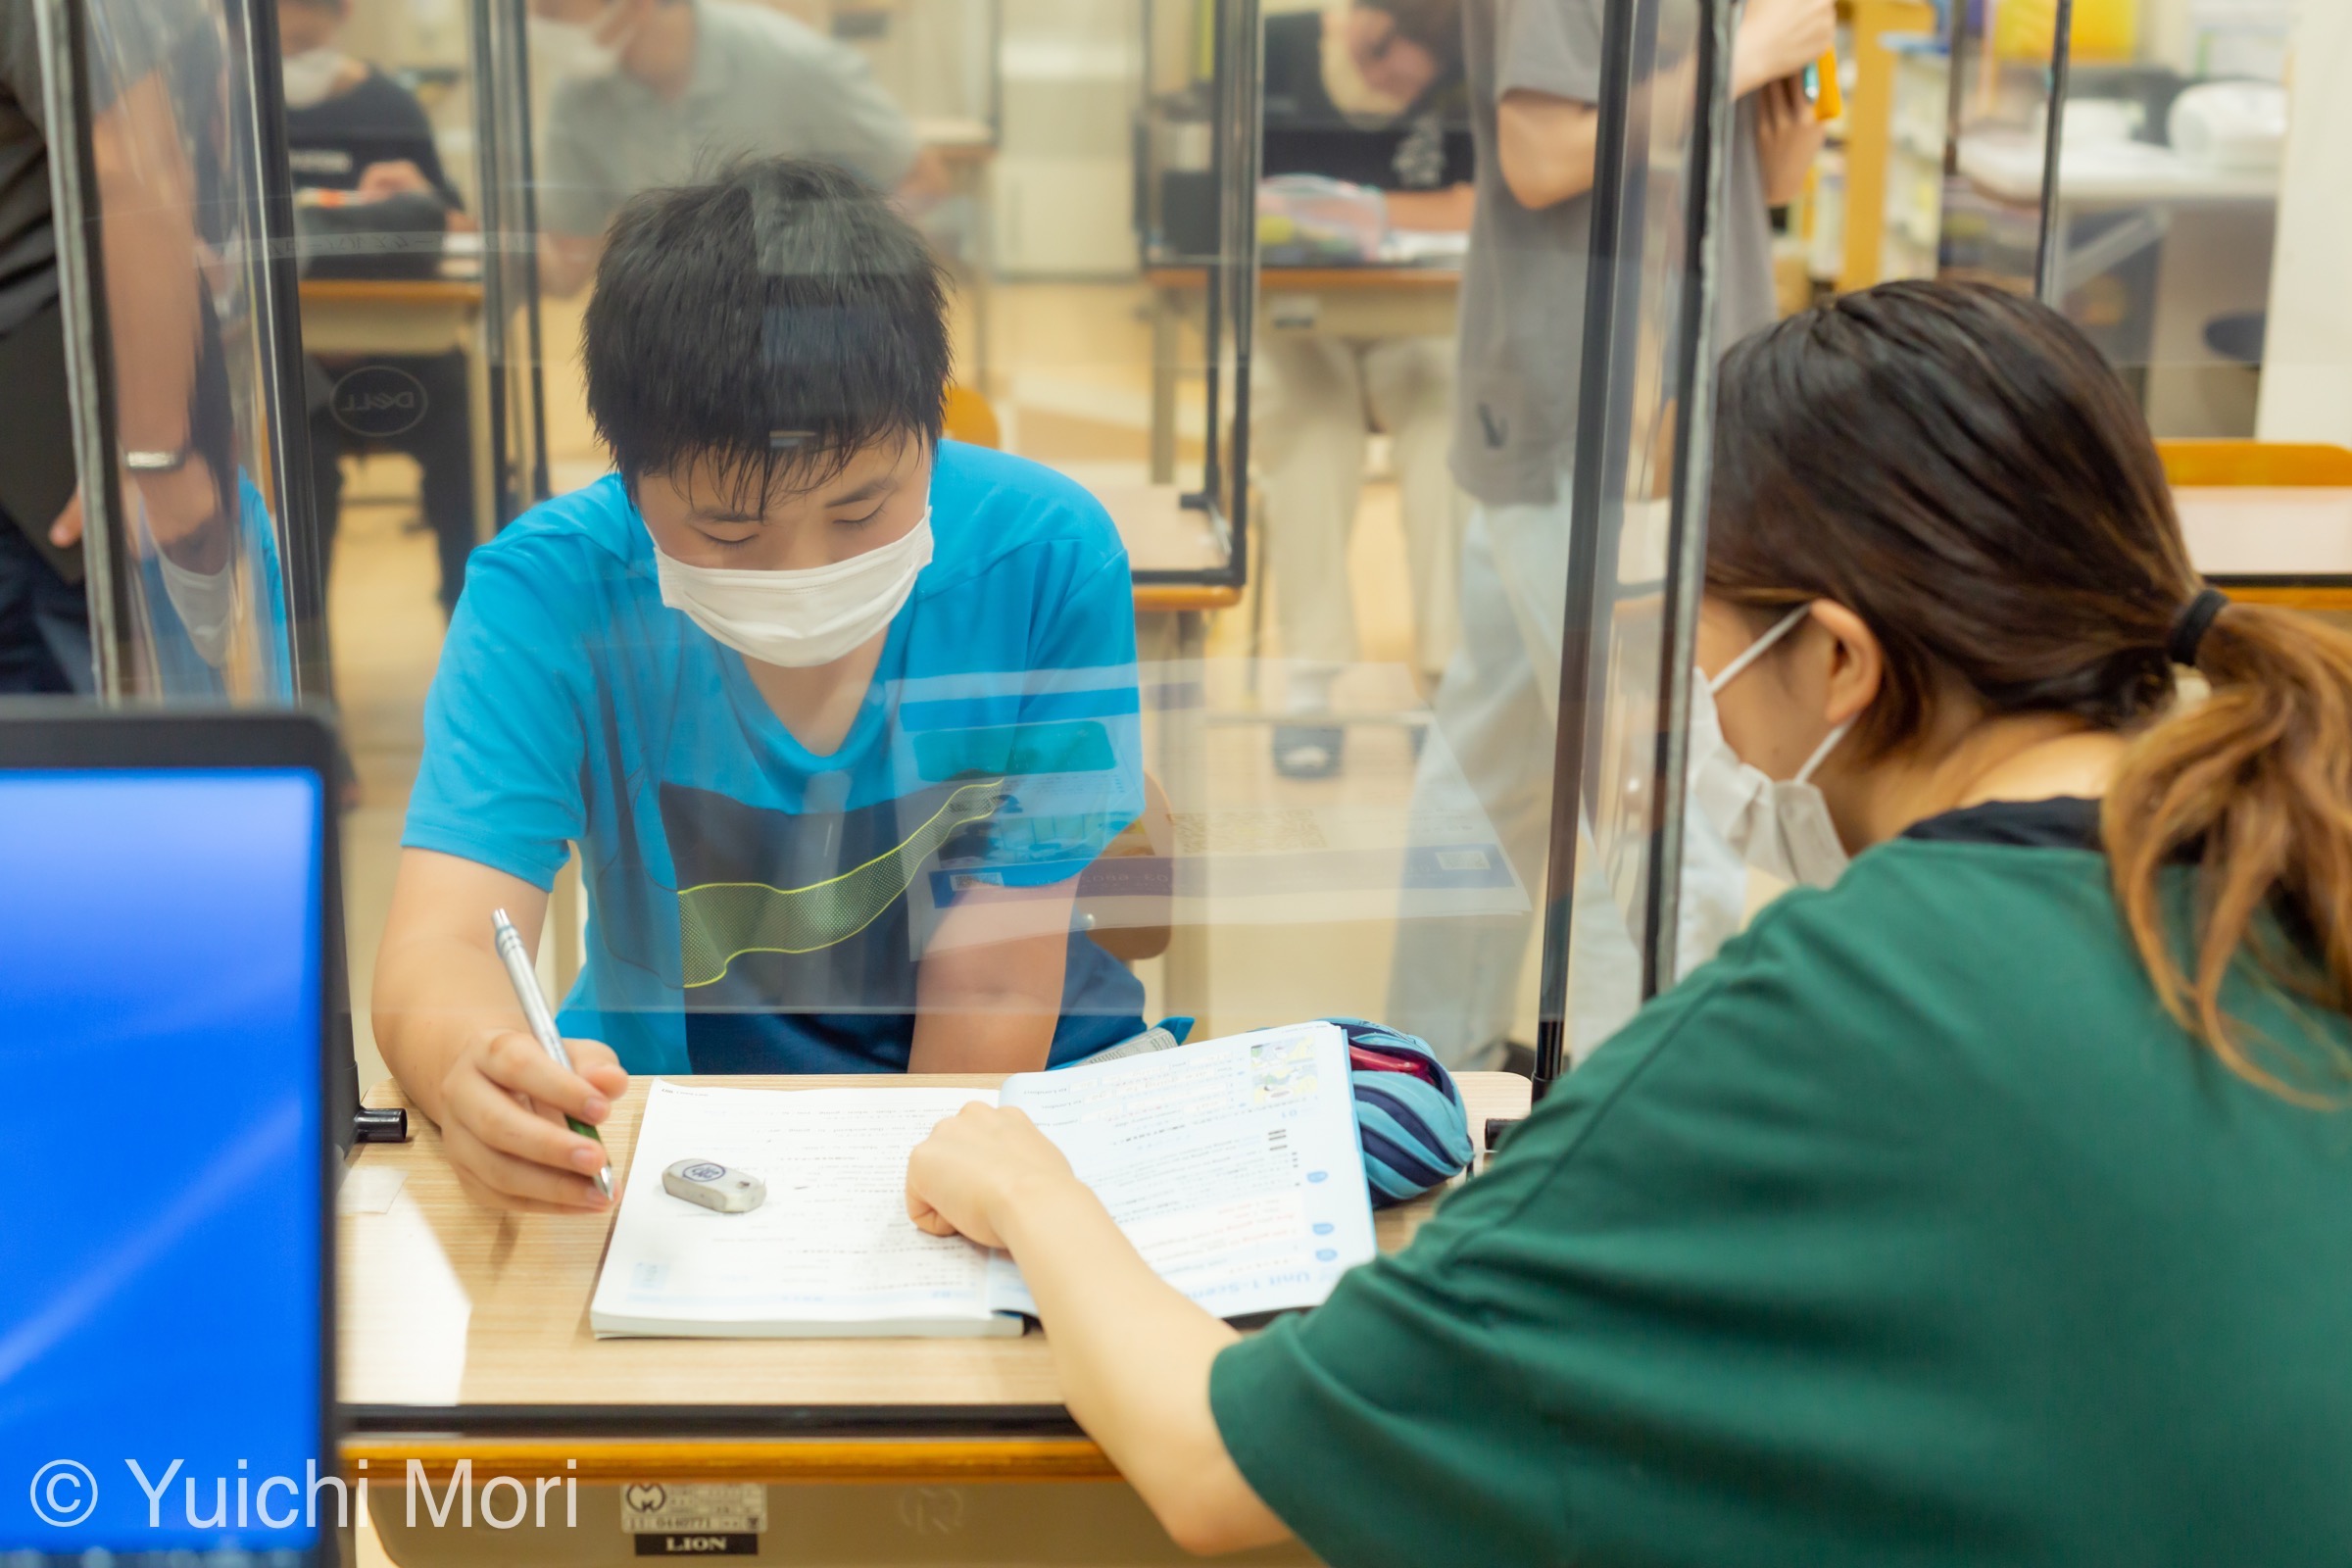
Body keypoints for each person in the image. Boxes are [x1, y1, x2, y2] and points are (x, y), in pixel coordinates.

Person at [900, 282, 2352, 1563]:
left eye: (1706, 633)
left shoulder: (1834, 1006)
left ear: (1837, 659)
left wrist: (1033, 1189)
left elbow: (1216, 1463)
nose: (1697, 691)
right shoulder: (2289, 870)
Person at [372, 159, 1149, 1213]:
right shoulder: (548, 594)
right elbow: (446, 941)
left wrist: (912, 1217)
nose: (803, 572)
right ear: (629, 477)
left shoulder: (1044, 558)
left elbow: (995, 978)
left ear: (933, 428)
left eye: (862, 512)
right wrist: (471, 1063)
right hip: (679, 1123)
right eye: (729, 532)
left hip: (1012, 1091)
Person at [1386, 0, 1834, 1063]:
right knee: (1661, 810)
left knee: (1497, 763)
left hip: (1678, 404)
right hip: (1590, 419)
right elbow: (1540, 157)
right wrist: (1740, 57)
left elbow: (1768, 176)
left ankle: (1429, 1065)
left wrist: (1778, 83)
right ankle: (1624, 1112)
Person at [1255, 0, 1473, 778]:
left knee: (1447, 429)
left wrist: (1354, 210)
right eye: (1385, 75)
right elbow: (1225, 195)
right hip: (1288, 314)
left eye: (1410, 88)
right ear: (1366, 25)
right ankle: (1311, 684)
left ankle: (1446, 681)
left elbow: (1471, 204)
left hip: (1408, 311)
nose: (1393, 94)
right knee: (1313, 430)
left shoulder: (1458, 77)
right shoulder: (1273, 48)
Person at [277, 0, 478, 617]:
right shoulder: (230, 109)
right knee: (298, 464)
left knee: (463, 426)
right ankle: (305, 644)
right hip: (291, 365)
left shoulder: (390, 108)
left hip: (400, 354)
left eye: (301, 35)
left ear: (341, 14)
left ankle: (469, 617)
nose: (286, 42)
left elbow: (459, 232)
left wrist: (420, 198)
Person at [528, 0, 920, 298]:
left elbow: (920, 179)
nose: (536, 24)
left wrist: (823, 277)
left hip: (799, 324)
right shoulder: (577, 99)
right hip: (670, 336)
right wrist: (501, 242)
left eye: (550, 9)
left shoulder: (789, 61)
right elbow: (567, 266)